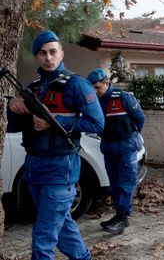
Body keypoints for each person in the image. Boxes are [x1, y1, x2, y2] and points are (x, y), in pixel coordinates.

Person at [7, 30, 104, 260]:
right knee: (63, 228)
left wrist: (56, 122)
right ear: (37, 56)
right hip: (34, 169)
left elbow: (97, 123)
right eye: (42, 53)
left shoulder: (77, 85)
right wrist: (15, 107)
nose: (48, 57)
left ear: (61, 53)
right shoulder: (35, 86)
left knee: (43, 239)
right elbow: (14, 126)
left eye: (53, 52)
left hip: (60, 169)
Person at [87, 68, 145, 235]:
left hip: (126, 147)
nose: (95, 91)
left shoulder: (123, 98)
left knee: (125, 182)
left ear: (107, 83)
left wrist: (130, 136)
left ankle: (122, 216)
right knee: (114, 183)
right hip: (108, 147)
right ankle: (121, 217)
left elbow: (140, 119)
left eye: (97, 87)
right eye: (92, 88)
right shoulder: (94, 102)